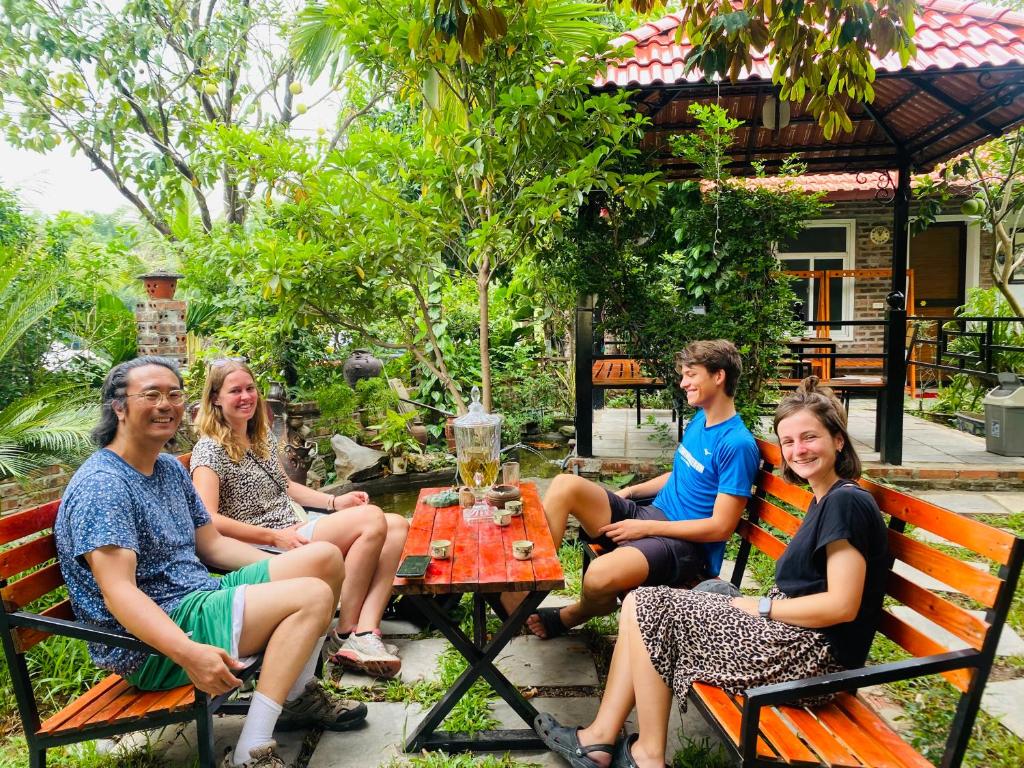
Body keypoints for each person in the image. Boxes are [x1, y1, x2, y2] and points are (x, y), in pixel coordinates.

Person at [534, 377, 892, 768]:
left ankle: (643, 755)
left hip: (808, 659)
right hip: (793, 639)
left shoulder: (845, 504)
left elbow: (841, 606)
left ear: (838, 440)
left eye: (809, 437)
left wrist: (760, 607)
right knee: (649, 605)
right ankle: (601, 741)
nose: (797, 450)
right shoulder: (828, 498)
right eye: (788, 441)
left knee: (644, 605)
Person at [55, 357, 368, 768]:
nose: (166, 404)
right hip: (152, 644)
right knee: (310, 595)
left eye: (173, 394)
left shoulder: (167, 468)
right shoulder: (104, 486)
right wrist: (188, 652)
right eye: (151, 395)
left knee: (323, 559)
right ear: (119, 407)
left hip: (199, 598)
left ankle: (296, 697)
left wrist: (284, 567)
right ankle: (251, 751)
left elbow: (213, 545)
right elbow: (119, 593)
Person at [505, 339, 760, 639]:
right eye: (683, 375)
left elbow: (720, 527)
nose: (683, 383)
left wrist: (645, 528)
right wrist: (628, 493)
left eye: (691, 375)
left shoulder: (737, 444)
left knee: (598, 575)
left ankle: (572, 614)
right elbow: (680, 474)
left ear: (719, 376)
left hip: (686, 548)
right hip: (653, 515)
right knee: (565, 485)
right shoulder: (700, 420)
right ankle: (527, 593)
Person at [191, 359, 408, 678]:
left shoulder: (258, 436)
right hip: (266, 545)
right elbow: (207, 517)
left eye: (250, 388)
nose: (246, 396)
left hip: (292, 528)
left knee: (397, 525)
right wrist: (272, 536)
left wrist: (334, 501)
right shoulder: (209, 451)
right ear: (215, 399)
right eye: (235, 391)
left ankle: (365, 630)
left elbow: (287, 486)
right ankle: (345, 634)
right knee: (371, 519)